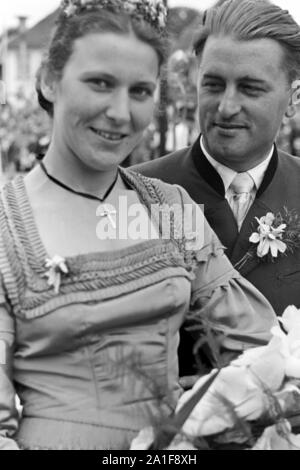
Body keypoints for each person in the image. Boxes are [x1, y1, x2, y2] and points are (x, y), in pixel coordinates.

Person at [0, 0, 277, 450]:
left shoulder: (170, 209)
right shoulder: (7, 227)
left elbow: (258, 345)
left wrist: (218, 420)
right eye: (100, 84)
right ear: (49, 80)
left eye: (141, 92)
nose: (120, 113)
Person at [133, 0, 300, 374]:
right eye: (213, 84)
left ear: (294, 98)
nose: (225, 107)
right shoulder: (134, 197)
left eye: (250, 89)